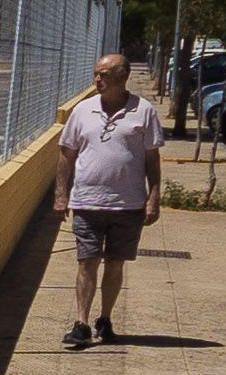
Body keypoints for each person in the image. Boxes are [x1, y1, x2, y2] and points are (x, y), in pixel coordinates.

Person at [52, 52, 162, 349]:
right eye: (96, 73)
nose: (97, 79)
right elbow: (66, 154)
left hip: (128, 205)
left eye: (104, 75)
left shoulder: (144, 111)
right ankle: (81, 323)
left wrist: (154, 196)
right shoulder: (82, 111)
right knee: (87, 261)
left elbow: (152, 158)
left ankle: (105, 318)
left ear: (122, 77)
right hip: (87, 202)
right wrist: (61, 194)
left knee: (114, 263)